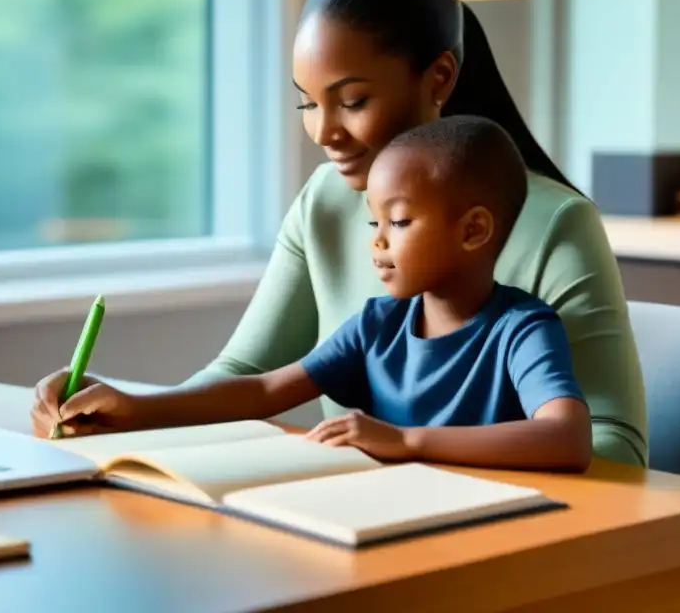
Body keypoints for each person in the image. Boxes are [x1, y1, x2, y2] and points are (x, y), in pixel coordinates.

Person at [32, 0, 648, 467]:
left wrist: (416, 452)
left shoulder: (553, 225)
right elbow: (253, 372)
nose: (324, 133)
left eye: (351, 100)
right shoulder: (327, 204)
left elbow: (610, 446)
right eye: (307, 103)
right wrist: (130, 414)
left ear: (438, 78)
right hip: (358, 516)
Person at [32, 116, 593, 472]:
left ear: (473, 230)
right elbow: (263, 391)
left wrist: (407, 441)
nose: (376, 243)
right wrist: (133, 408)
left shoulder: (522, 328)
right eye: (371, 223)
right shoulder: (379, 324)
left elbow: (566, 437)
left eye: (396, 223)